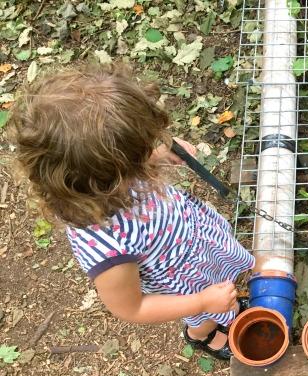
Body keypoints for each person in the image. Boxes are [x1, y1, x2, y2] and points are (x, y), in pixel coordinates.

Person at [8, 65, 254, 359]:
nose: (146, 161)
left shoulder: (103, 177)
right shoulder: (107, 249)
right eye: (137, 160)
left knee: (222, 281)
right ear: (103, 180)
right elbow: (132, 308)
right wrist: (201, 302)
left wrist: (156, 156)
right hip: (186, 284)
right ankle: (203, 335)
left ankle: (221, 300)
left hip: (196, 238)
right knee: (205, 316)